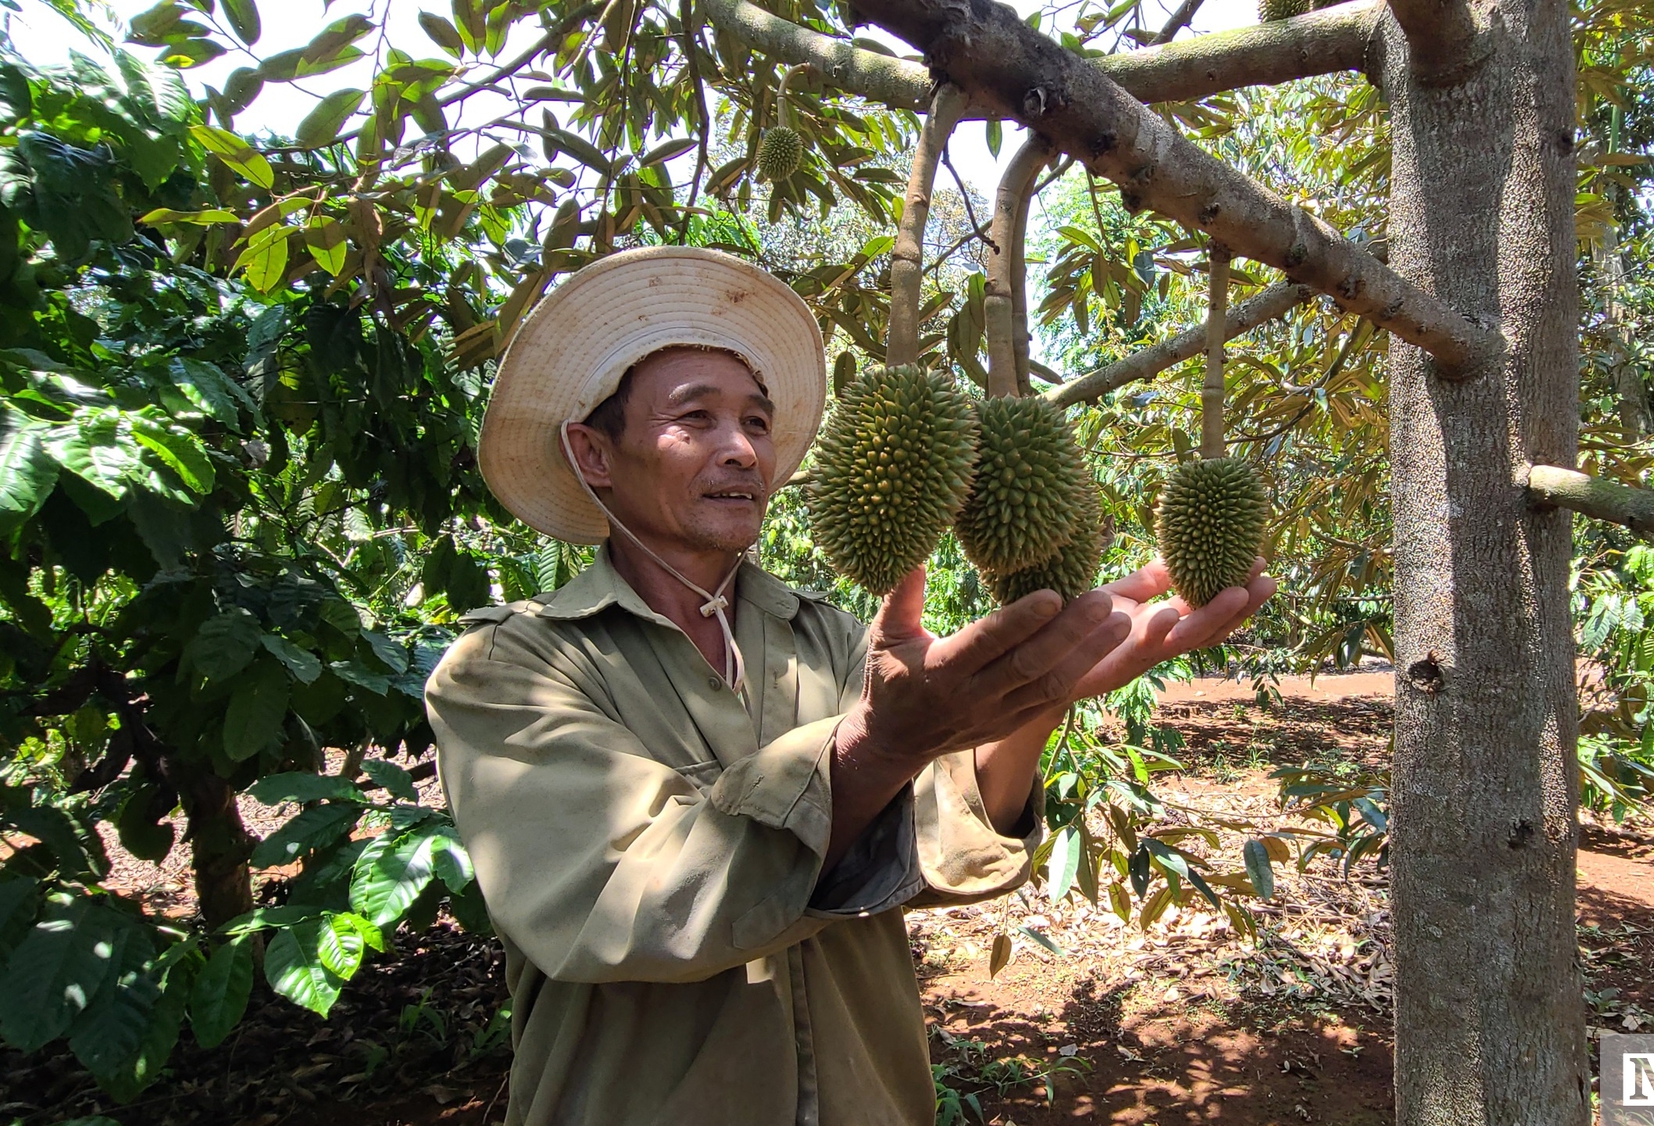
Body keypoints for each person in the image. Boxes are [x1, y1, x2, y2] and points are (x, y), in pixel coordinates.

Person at [425, 246, 1276, 1126]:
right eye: (698, 419)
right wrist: (881, 744)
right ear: (593, 453)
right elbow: (625, 905)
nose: (742, 449)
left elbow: (938, 847)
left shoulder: (834, 641)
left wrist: (1043, 693)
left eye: (757, 423)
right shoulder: (510, 669)